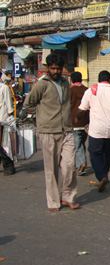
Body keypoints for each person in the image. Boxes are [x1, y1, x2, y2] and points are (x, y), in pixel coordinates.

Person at [24, 53, 79, 211]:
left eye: (58, 68)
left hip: (66, 129)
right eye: (53, 68)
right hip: (48, 131)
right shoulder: (42, 85)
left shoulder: (65, 84)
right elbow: (29, 104)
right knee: (51, 169)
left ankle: (67, 197)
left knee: (69, 164)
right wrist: (42, 116)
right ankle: (53, 201)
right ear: (48, 68)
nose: (56, 71)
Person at [77, 71, 110, 193]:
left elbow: (82, 109)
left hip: (96, 130)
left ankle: (102, 176)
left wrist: (76, 118)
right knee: (108, 153)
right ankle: (104, 172)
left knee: (95, 153)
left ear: (99, 79)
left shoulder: (91, 91)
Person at [69, 72, 89, 176]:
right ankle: (81, 163)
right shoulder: (87, 90)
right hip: (86, 122)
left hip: (74, 122)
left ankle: (81, 164)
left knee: (77, 145)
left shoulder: (70, 91)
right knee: (81, 143)